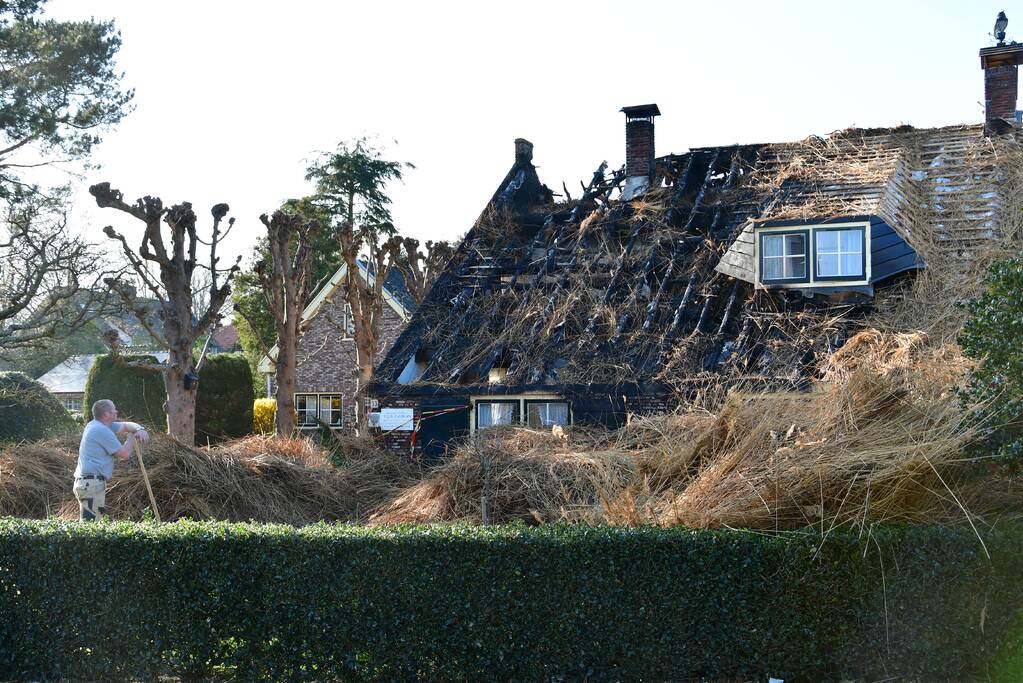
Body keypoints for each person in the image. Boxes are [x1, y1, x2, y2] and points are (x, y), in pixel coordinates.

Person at [73, 399, 150, 521]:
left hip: (89, 483)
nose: (116, 411)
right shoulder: (100, 430)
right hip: (90, 484)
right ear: (106, 414)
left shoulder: (96, 424)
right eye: (114, 409)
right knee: (90, 527)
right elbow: (124, 454)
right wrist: (131, 436)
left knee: (92, 525)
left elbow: (125, 425)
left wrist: (139, 429)